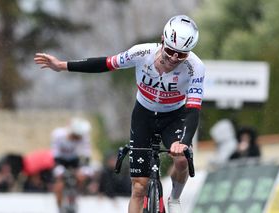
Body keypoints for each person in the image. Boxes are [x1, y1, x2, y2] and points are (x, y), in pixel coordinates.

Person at [34, 15, 205, 213]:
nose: (174, 59)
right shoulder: (142, 53)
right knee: (139, 186)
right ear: (162, 40)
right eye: (170, 51)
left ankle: (174, 197)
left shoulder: (196, 68)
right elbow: (105, 64)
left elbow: (193, 109)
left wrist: (183, 142)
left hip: (174, 116)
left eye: (181, 55)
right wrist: (62, 65)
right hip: (144, 115)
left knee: (182, 158)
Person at [50, 117, 93, 210]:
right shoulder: (58, 135)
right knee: (59, 184)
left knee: (81, 177)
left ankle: (76, 196)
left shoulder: (84, 137)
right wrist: (58, 168)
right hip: (60, 160)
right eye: (75, 137)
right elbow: (55, 153)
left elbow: (86, 154)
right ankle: (59, 206)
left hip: (74, 160)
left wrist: (85, 169)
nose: (77, 139)